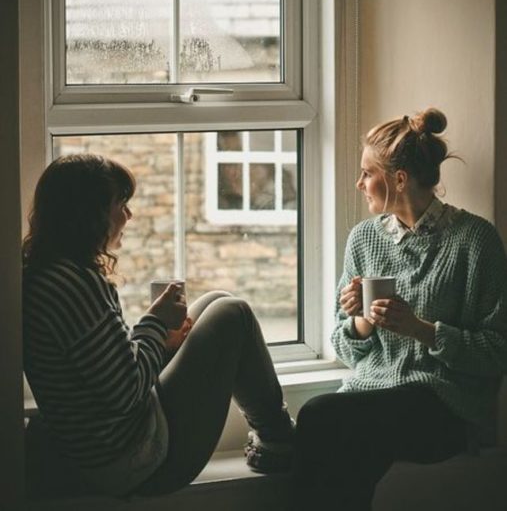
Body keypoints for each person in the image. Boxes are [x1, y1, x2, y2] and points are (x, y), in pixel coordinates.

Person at [23, 154, 294, 499]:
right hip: (135, 460)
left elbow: (105, 371)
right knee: (233, 313)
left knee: (215, 300)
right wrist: (155, 322)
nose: (129, 215)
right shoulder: (74, 285)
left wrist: (161, 339)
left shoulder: (48, 273)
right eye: (120, 204)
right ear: (90, 215)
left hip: (110, 446)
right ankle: (279, 441)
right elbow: (125, 391)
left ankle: (276, 437)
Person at [292, 108, 507, 510]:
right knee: (339, 438)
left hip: (444, 406)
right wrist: (361, 321)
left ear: (400, 179)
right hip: (373, 395)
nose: (359, 184)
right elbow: (346, 347)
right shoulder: (363, 239)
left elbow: (496, 352)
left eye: (367, 173)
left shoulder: (476, 241)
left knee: (323, 419)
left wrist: (420, 329)